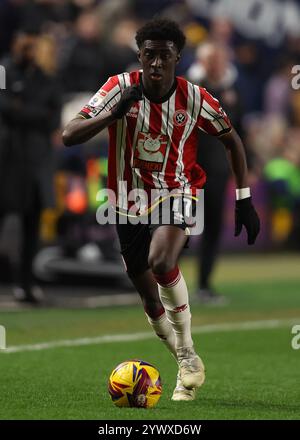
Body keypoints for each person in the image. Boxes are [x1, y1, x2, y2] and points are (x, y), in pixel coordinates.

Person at [62, 19, 260, 401]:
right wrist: (114, 113)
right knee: (150, 299)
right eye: (149, 55)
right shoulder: (119, 88)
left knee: (162, 261)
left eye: (164, 57)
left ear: (177, 59)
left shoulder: (196, 98)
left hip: (177, 191)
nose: (155, 64)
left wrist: (244, 198)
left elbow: (232, 140)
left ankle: (186, 356)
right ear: (139, 55)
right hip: (126, 201)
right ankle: (186, 359)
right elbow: (70, 134)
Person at [0, 31, 61, 303]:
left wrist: (20, 109)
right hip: (7, 160)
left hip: (37, 161)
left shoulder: (48, 78)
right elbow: (4, 108)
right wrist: (29, 111)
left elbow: (52, 119)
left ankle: (26, 283)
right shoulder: (3, 71)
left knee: (32, 225)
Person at [187, 41, 245, 303]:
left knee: (212, 227)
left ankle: (204, 285)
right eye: (212, 60)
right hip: (188, 169)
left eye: (220, 60)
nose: (217, 65)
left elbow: (238, 132)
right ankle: (161, 283)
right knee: (176, 225)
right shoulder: (189, 90)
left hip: (217, 170)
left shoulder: (231, 91)